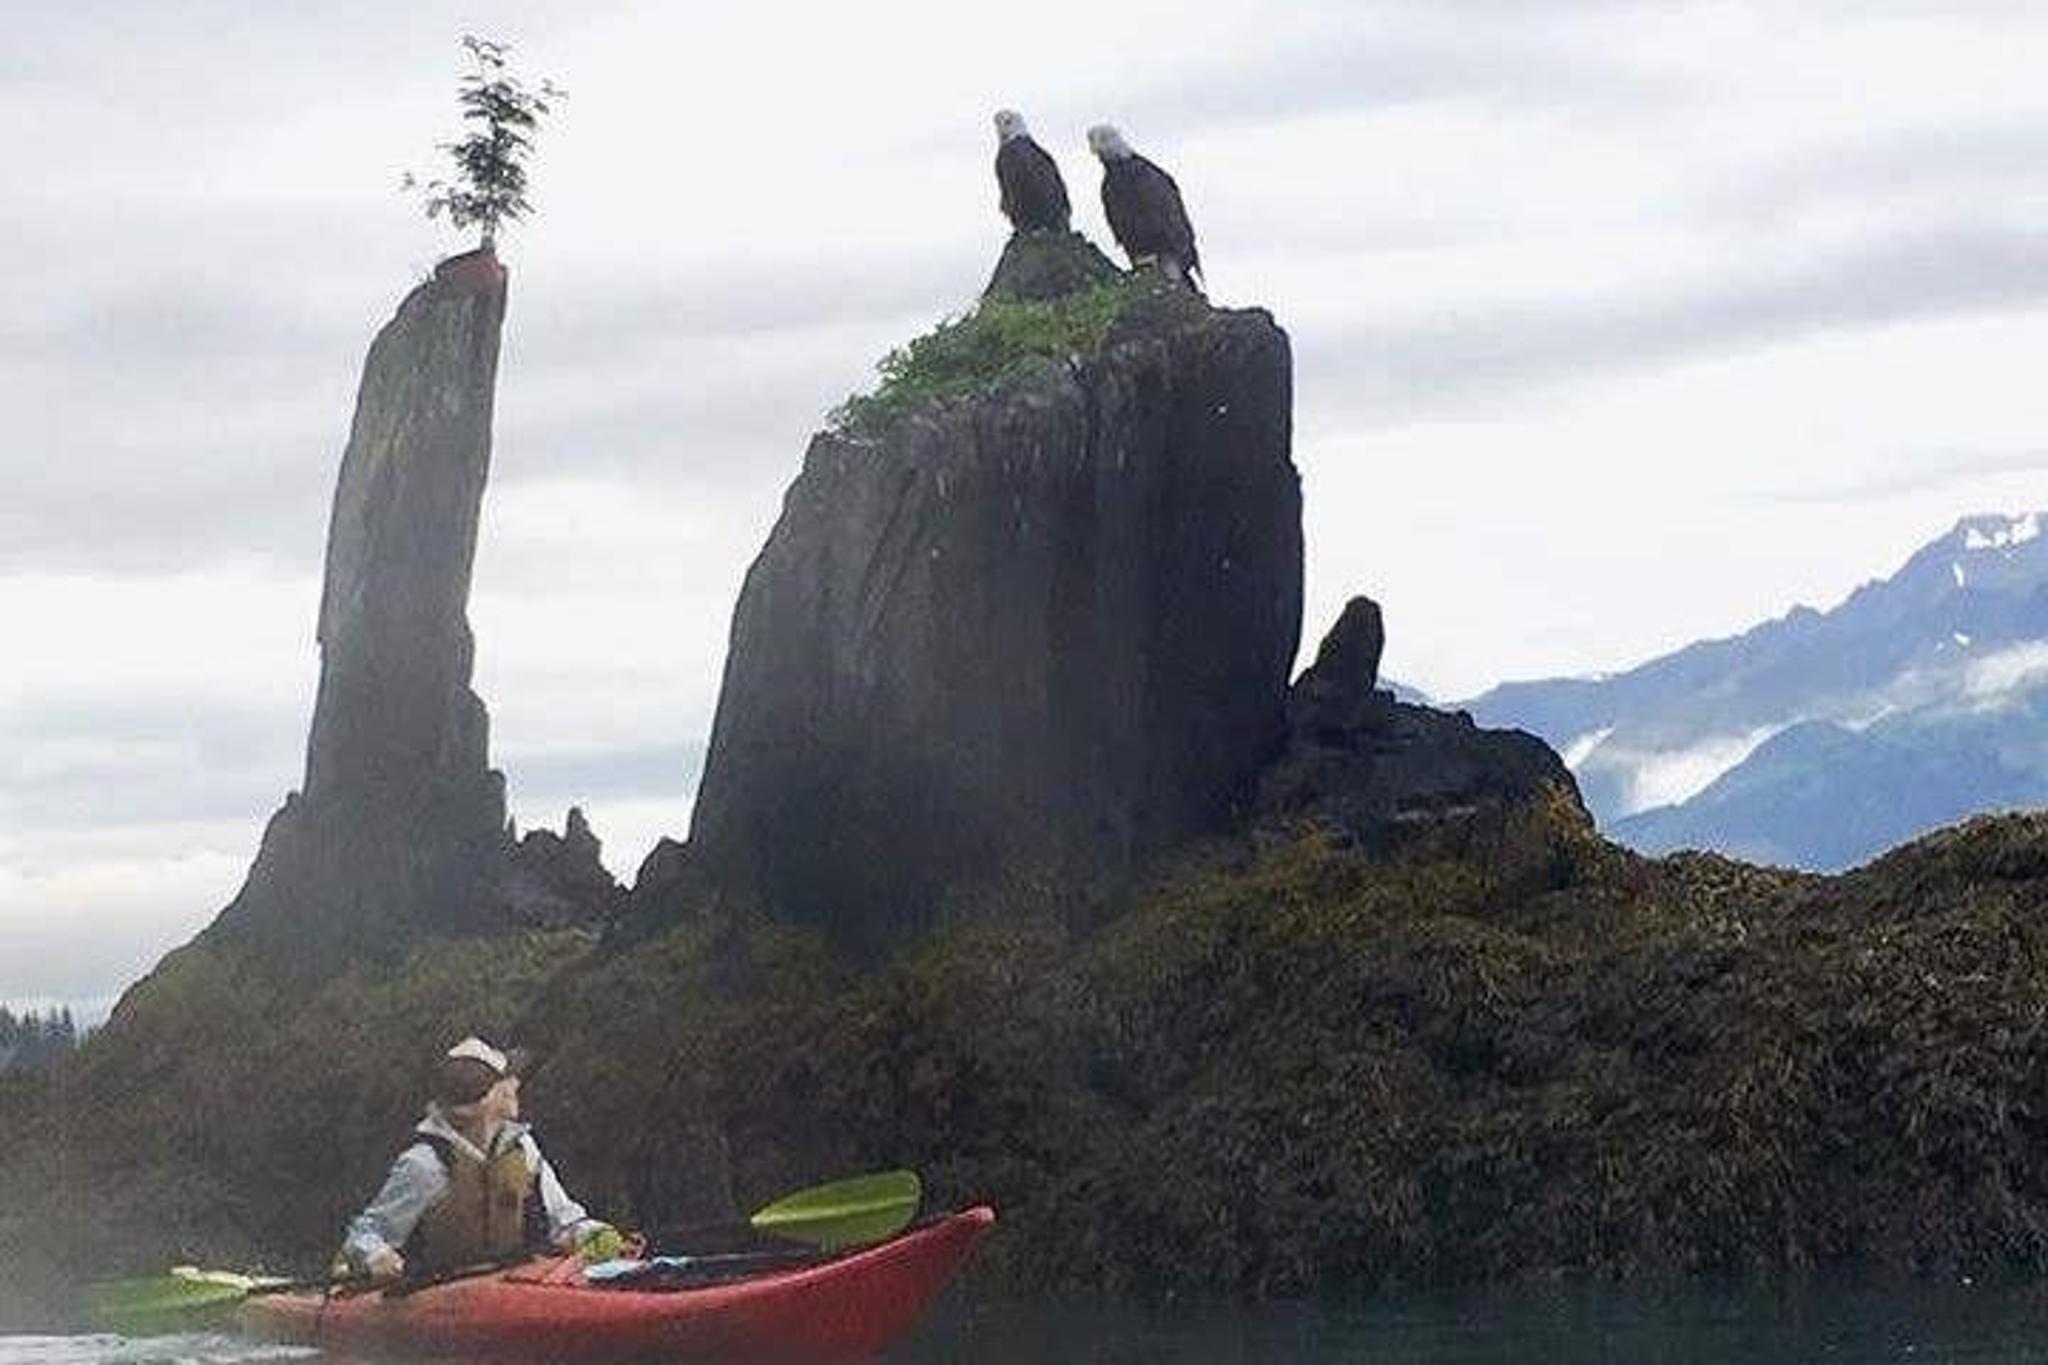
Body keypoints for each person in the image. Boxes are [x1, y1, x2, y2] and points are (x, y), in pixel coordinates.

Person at [340, 1037, 625, 1282]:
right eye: (508, 1078)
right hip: (441, 1289)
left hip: (517, 1281)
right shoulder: (425, 1164)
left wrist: (590, 1232)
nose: (516, 1082)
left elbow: (563, 1220)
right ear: (487, 1096)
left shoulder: (524, 1148)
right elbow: (365, 1234)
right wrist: (376, 1255)